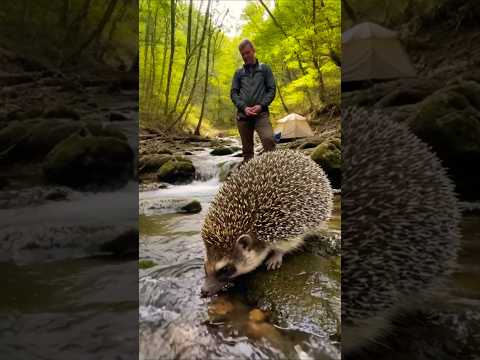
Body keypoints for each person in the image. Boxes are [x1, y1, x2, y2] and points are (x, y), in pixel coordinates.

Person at [230, 39, 276, 162]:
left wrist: (261, 105)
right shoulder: (238, 73)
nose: (245, 56)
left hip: (261, 114)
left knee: (268, 140)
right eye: (243, 54)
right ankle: (250, 178)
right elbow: (234, 93)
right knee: (247, 151)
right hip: (243, 116)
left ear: (253, 51)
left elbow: (271, 90)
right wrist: (244, 107)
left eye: (247, 52)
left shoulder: (264, 69)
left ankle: (273, 174)